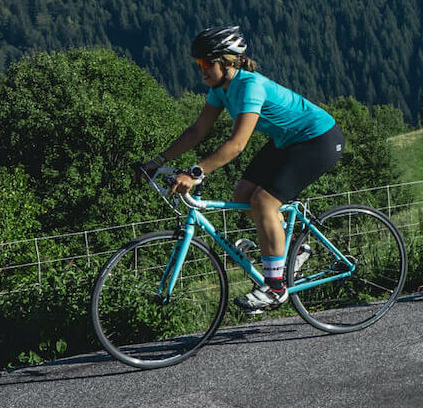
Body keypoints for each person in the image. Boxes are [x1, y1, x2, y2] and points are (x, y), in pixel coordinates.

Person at [143, 25, 345, 311]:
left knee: (264, 201)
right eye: (197, 63)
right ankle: (293, 252)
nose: (201, 70)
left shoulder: (250, 86)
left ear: (226, 62)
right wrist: (158, 160)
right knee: (242, 193)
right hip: (287, 140)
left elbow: (237, 144)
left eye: (205, 63)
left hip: (318, 139)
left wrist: (196, 172)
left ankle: (276, 288)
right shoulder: (221, 90)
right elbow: (196, 131)